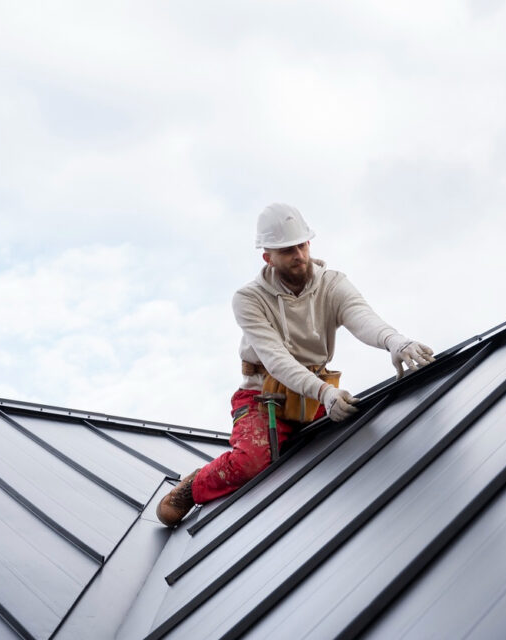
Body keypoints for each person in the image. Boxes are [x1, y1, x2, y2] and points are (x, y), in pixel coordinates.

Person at [156, 203, 435, 526]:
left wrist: (395, 341)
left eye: (302, 245)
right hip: (264, 398)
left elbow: (361, 317)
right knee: (250, 462)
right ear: (268, 257)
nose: (298, 255)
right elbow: (276, 360)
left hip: (314, 395)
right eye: (287, 250)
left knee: (361, 432)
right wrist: (324, 394)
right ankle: (194, 487)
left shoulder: (332, 284)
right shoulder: (249, 299)